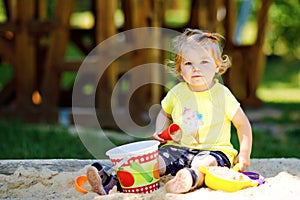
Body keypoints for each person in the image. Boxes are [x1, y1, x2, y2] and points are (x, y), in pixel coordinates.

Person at [86, 28, 252, 195]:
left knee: (206, 164)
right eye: (188, 63)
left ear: (217, 66)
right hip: (178, 148)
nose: (196, 68)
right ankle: (111, 181)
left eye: (204, 62)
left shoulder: (222, 95)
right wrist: (160, 130)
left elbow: (242, 124)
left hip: (214, 150)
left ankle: (189, 178)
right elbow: (164, 113)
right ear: (180, 70)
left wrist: (244, 153)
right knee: (153, 162)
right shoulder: (177, 92)